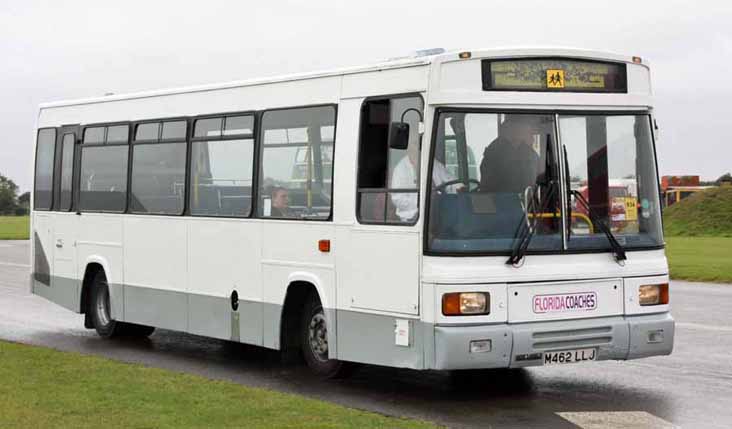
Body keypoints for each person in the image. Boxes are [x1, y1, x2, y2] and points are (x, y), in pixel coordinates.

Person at [390, 140, 458, 222]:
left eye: (417, 145)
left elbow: (449, 180)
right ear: (408, 149)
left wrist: (458, 186)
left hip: (437, 213)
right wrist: (422, 202)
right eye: (413, 145)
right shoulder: (400, 169)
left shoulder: (433, 163)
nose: (416, 148)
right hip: (412, 218)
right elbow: (397, 198)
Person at [479, 116, 542, 193]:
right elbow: (488, 187)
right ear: (515, 131)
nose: (533, 139)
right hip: (506, 201)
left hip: (527, 201)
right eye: (529, 132)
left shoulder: (529, 154)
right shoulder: (496, 152)